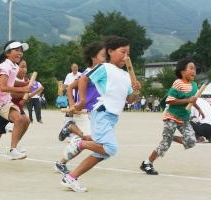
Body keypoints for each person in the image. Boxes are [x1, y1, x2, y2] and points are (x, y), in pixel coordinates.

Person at [60, 36, 139, 192]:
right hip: (102, 112)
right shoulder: (104, 68)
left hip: (112, 117)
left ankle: (71, 177)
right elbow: (83, 79)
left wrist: (135, 93)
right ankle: (79, 143)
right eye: (122, 52)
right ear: (110, 51)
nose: (126, 56)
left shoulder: (126, 76)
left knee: (102, 153)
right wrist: (82, 100)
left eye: (128, 53)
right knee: (111, 148)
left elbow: (128, 100)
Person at [140, 58, 203, 175]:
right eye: (191, 68)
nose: (194, 71)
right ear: (182, 71)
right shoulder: (178, 83)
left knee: (191, 141)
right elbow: (169, 100)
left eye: (194, 68)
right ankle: (147, 163)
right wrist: (188, 99)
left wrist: (199, 109)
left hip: (184, 118)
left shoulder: (194, 85)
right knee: (165, 144)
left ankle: (171, 137)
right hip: (172, 116)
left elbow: (192, 100)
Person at [55, 41, 106, 175]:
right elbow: (70, 87)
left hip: (94, 112)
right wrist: (72, 104)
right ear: (93, 57)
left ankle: (70, 129)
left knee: (88, 139)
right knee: (89, 139)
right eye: (103, 55)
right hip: (82, 112)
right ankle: (61, 161)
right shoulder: (88, 73)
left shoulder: (102, 73)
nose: (105, 57)